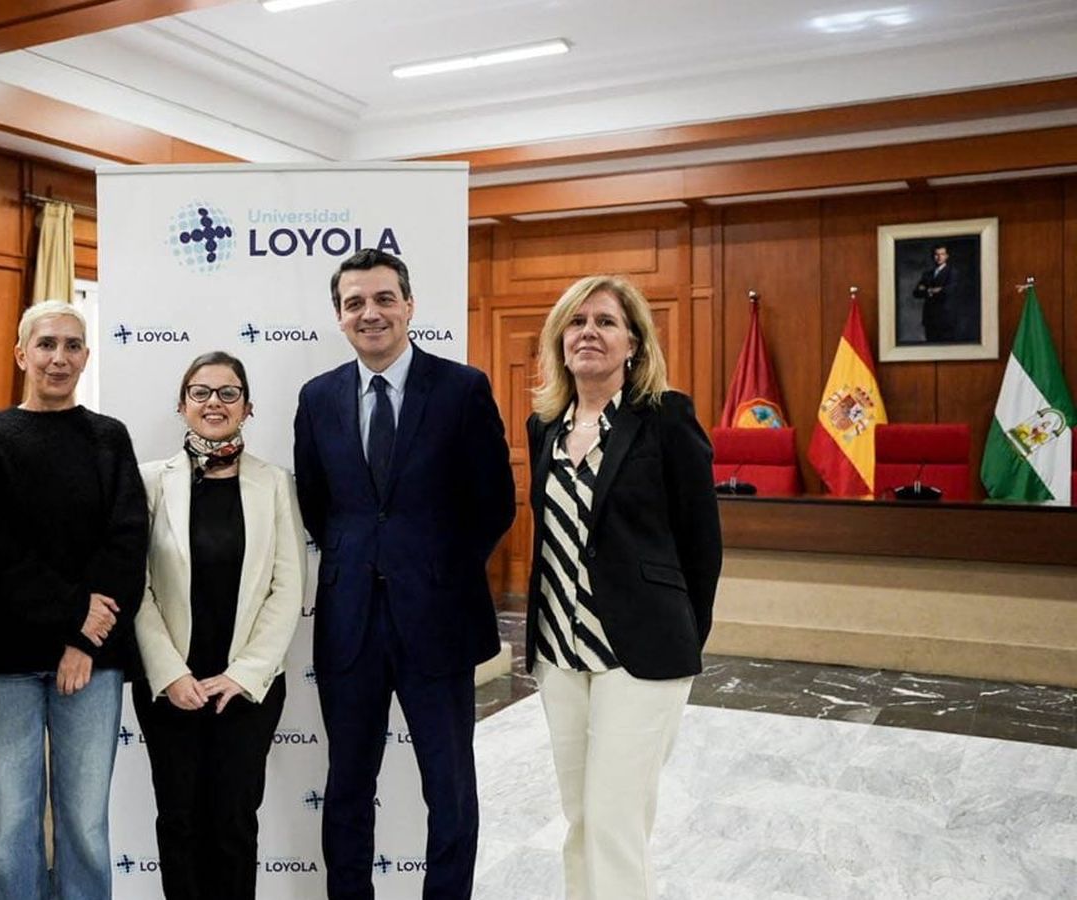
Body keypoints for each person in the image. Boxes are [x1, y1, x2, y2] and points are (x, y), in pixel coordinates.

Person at [293, 249, 514, 900]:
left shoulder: (462, 389)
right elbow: (317, 506)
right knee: (348, 787)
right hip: (349, 624)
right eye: (355, 302)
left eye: (384, 298)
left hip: (438, 622)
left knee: (448, 789)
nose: (371, 313)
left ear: (410, 306)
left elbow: (494, 503)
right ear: (339, 316)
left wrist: (435, 572)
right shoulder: (317, 397)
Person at [524, 275, 722, 900]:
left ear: (633, 342)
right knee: (581, 816)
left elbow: (701, 543)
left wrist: (684, 636)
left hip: (640, 654)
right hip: (560, 650)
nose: (589, 333)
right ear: (560, 341)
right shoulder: (544, 427)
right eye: (576, 322)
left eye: (605, 322)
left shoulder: (666, 418)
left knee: (615, 820)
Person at [0, 300, 148, 900]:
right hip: (4, 661)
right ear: (21, 355)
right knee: (13, 825)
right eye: (45, 345)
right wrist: (72, 615)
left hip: (90, 661)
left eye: (71, 345)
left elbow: (126, 542)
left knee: (85, 824)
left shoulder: (108, 438)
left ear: (86, 356)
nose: (58, 358)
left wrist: (82, 639)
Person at [133, 350, 305, 900]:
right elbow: (137, 589)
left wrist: (245, 674)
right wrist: (168, 673)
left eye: (228, 393)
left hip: (246, 690)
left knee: (234, 823)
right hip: (170, 686)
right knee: (178, 820)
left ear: (247, 407)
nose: (214, 403)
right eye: (201, 392)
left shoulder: (275, 483)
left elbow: (288, 589)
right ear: (182, 405)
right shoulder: (149, 482)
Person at [913, 244, 957, 341]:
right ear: (933, 256)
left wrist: (927, 289)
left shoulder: (952, 272)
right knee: (930, 347)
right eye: (936, 254)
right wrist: (932, 290)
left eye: (942, 254)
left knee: (945, 349)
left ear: (946, 256)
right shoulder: (927, 274)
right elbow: (916, 293)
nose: (939, 257)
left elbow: (949, 290)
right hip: (929, 318)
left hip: (945, 318)